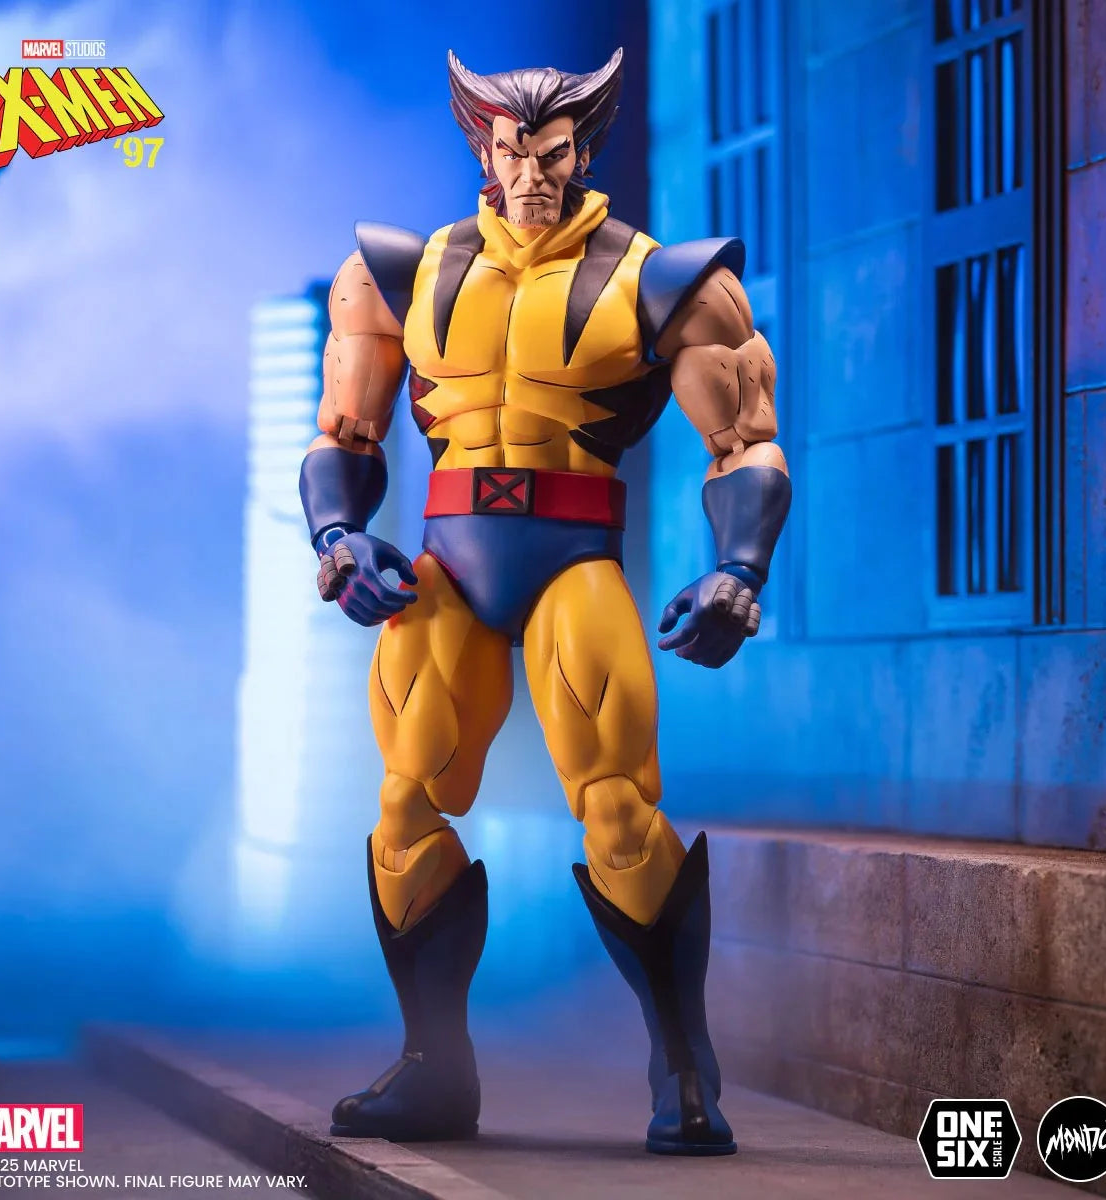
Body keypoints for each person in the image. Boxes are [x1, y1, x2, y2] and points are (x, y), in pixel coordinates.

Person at [298, 48, 790, 1156]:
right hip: (447, 569)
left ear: (582, 148)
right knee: (405, 802)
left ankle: (684, 1067)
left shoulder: (664, 280)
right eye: (512, 151)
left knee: (617, 804)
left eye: (552, 151)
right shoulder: (398, 273)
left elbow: (747, 442)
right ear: (485, 146)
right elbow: (346, 434)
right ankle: (434, 1067)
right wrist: (336, 539)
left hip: (572, 558)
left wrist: (740, 569)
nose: (531, 172)